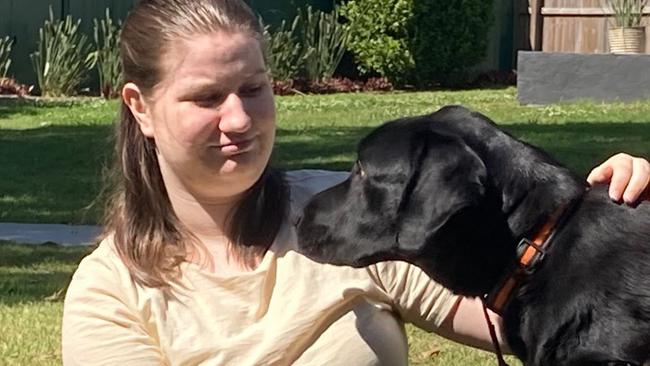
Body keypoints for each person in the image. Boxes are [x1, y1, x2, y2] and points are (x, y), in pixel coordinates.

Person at [61, 0, 650, 364]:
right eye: (207, 97)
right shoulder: (109, 294)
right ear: (140, 108)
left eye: (255, 88)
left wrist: (608, 236)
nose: (239, 118)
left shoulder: (347, 218)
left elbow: (533, 307)